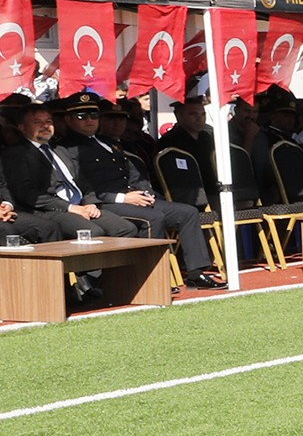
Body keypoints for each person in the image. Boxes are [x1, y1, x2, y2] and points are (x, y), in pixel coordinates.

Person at [48, 91, 221, 288]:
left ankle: (196, 272)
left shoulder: (108, 143)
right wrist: (123, 198)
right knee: (153, 218)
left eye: (94, 115)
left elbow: (131, 173)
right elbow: (81, 186)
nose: (89, 120)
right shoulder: (66, 149)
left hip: (132, 197)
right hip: (105, 203)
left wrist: (143, 192)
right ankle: (149, 277)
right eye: (82, 116)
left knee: (188, 212)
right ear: (69, 120)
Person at [3, 102, 146, 242]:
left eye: (48, 121)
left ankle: (115, 266)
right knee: (93, 233)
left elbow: (84, 182)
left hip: (81, 204)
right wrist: (71, 208)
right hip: (50, 209)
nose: (45, 126)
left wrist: (90, 203)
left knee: (126, 229)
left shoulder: (59, 149)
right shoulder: (16, 154)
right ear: (22, 128)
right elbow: (27, 193)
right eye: (37, 122)